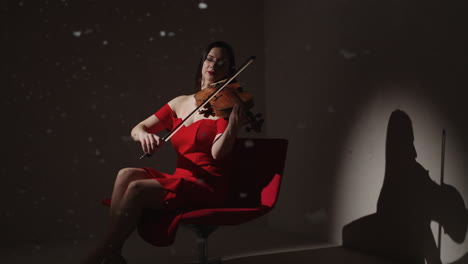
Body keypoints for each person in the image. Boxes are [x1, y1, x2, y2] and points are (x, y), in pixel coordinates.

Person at [83, 41, 246, 264]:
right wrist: (144, 135)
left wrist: (233, 127)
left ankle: (100, 254)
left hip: (207, 185)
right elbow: (137, 128)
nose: (214, 64)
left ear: (229, 71)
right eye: (210, 58)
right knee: (126, 174)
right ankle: (112, 254)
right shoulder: (180, 103)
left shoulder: (224, 107)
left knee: (137, 187)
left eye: (222, 62)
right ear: (202, 63)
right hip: (182, 179)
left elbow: (218, 154)